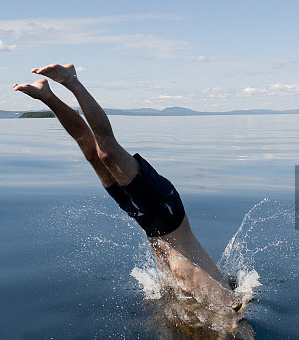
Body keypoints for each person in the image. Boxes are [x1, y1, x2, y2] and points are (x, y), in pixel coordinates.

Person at [13, 64, 245, 319]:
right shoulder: (224, 302)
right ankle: (72, 80)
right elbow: (236, 317)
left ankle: (47, 96)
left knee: (91, 153)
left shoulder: (206, 295)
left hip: (143, 217)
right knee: (107, 150)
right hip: (163, 209)